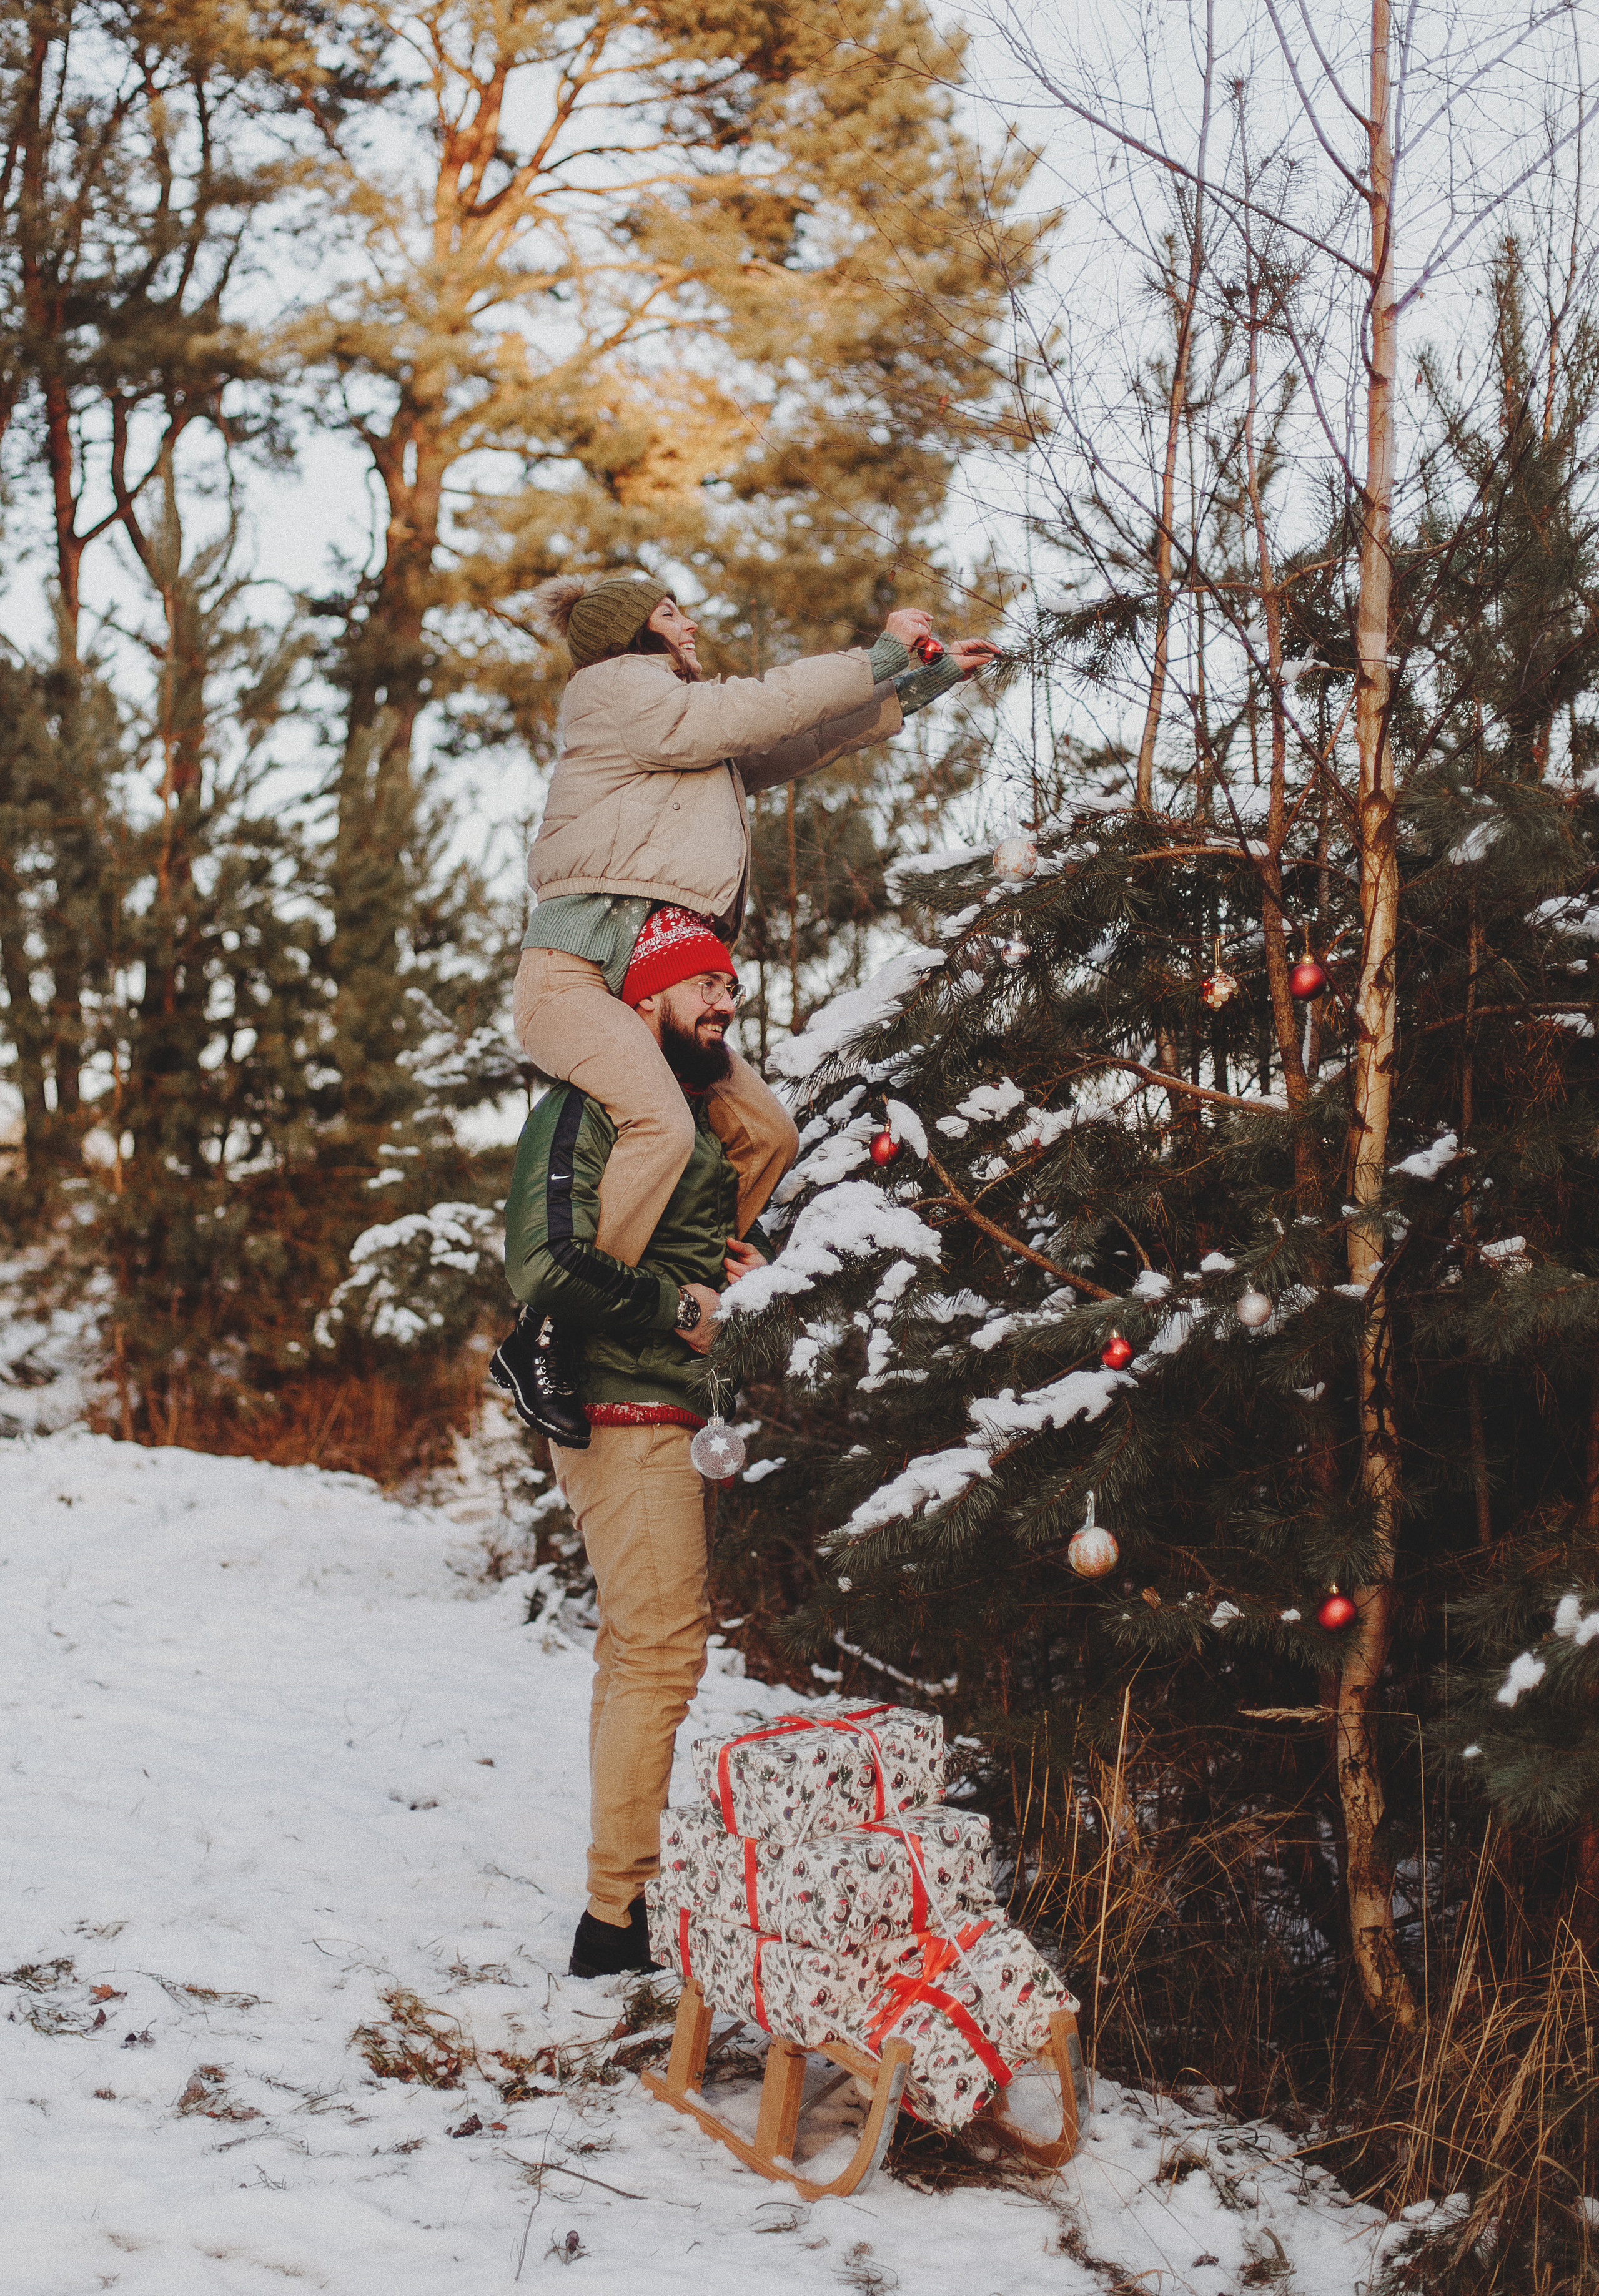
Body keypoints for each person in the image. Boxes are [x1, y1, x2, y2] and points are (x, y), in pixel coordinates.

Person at [495, 571, 997, 1444]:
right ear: (628, 633)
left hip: (647, 991)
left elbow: (795, 741)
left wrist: (918, 683)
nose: (690, 623)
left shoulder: (679, 732)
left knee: (767, 1132)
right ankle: (546, 1328)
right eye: (669, 611)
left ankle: (682, 1276)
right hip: (573, 977)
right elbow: (759, 706)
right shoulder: (617, 690)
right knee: (662, 1123)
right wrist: (877, 653)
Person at [500, 922, 776, 1978]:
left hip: (664, 1401)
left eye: (735, 988)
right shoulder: (585, 1105)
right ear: (647, 995)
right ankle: (620, 1919)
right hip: (622, 1405)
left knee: (639, 1652)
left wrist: (724, 1269)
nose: (730, 1002)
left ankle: (618, 1908)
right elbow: (544, 1264)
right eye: (708, 984)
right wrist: (682, 1302)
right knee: (662, 1653)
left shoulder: (687, 1123)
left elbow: (766, 1138)